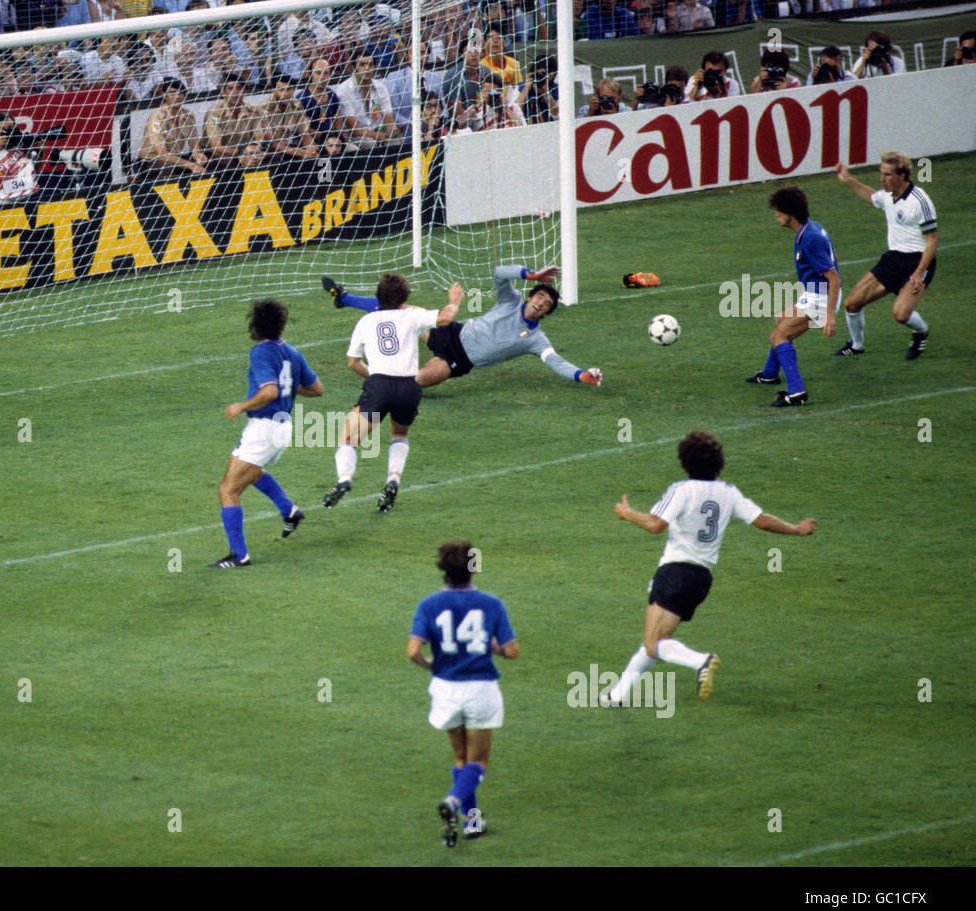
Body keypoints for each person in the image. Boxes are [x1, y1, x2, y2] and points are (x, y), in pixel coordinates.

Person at [600, 431, 816, 708]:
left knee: (654, 644)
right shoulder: (728, 493)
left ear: (684, 462)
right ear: (719, 462)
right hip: (700, 579)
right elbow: (761, 521)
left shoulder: (681, 490)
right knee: (656, 640)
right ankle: (617, 695)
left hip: (674, 573)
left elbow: (655, 525)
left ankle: (700, 660)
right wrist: (796, 529)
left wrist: (627, 513)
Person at [322, 264, 602, 390]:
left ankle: (378, 380)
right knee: (396, 310)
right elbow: (499, 273)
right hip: (451, 331)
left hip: (457, 360)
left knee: (413, 383)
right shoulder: (510, 300)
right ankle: (343, 298)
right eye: (540, 295)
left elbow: (557, 362)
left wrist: (581, 376)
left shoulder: (536, 340)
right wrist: (530, 274)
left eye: (548, 303)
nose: (542, 302)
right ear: (530, 295)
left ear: (547, 313)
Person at [406, 539, 518, 847]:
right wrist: (492, 647)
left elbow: (413, 650)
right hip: (481, 688)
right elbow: (512, 651)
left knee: (460, 756)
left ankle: (473, 822)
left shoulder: (428, 605)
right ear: (472, 568)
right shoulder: (492, 603)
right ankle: (455, 802)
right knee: (478, 761)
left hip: (445, 689)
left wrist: (431, 664)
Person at [322, 274, 463, 513]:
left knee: (348, 439)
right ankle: (393, 479)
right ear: (405, 297)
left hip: (379, 385)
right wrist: (455, 301)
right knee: (399, 435)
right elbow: (445, 318)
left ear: (378, 296)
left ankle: (344, 479)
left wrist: (376, 376)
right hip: (409, 387)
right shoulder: (412, 314)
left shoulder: (367, 321)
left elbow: (352, 363)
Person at [210, 299, 323, 569]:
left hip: (264, 428)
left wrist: (242, 405)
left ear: (255, 325)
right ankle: (289, 511)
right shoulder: (294, 353)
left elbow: (270, 391)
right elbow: (317, 389)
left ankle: (240, 555)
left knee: (228, 489)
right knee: (252, 471)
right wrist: (290, 388)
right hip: (283, 427)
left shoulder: (260, 353)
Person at [833, 151, 938, 360]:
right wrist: (848, 179)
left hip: (917, 261)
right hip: (893, 260)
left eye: (887, 175)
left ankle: (920, 332)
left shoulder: (919, 200)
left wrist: (918, 274)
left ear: (902, 176)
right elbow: (871, 197)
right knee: (851, 303)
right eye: (881, 173)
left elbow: (932, 241)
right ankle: (856, 346)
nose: (882, 179)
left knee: (900, 314)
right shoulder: (887, 196)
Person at [745, 187, 840, 408]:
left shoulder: (810, 238)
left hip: (821, 296)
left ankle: (796, 391)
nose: (776, 215)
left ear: (790, 212)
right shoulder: (810, 228)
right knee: (781, 321)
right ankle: (770, 373)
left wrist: (829, 316)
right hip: (815, 292)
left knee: (779, 336)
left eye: (778, 210)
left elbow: (833, 278)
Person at [138, 77, 206, 176]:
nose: (177, 96)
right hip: (151, 161)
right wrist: (190, 165)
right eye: (172, 93)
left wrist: (198, 156)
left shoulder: (188, 115)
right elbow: (162, 154)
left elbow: (194, 145)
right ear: (165, 96)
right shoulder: (156, 118)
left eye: (181, 93)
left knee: (209, 163)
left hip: (174, 158)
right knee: (168, 168)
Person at [334, 51, 394, 149]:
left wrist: (390, 135)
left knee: (396, 141)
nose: (367, 69)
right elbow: (353, 129)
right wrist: (377, 136)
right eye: (362, 65)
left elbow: (389, 118)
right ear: (353, 68)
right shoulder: (344, 90)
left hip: (378, 133)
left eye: (370, 65)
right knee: (370, 143)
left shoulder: (381, 87)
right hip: (354, 137)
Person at [204, 73, 265, 169]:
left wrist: (254, 153)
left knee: (269, 157)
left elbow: (260, 138)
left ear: (244, 92)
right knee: (228, 162)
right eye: (230, 89)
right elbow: (216, 147)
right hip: (221, 155)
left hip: (248, 153)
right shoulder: (214, 114)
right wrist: (243, 153)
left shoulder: (253, 110)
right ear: (223, 93)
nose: (235, 92)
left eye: (239, 88)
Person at [0, 112, 37, 204]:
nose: (6, 133)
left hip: (27, 196)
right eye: (1, 129)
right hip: (2, 202)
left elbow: (36, 169)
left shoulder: (22, 140)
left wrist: (40, 150)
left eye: (9, 129)